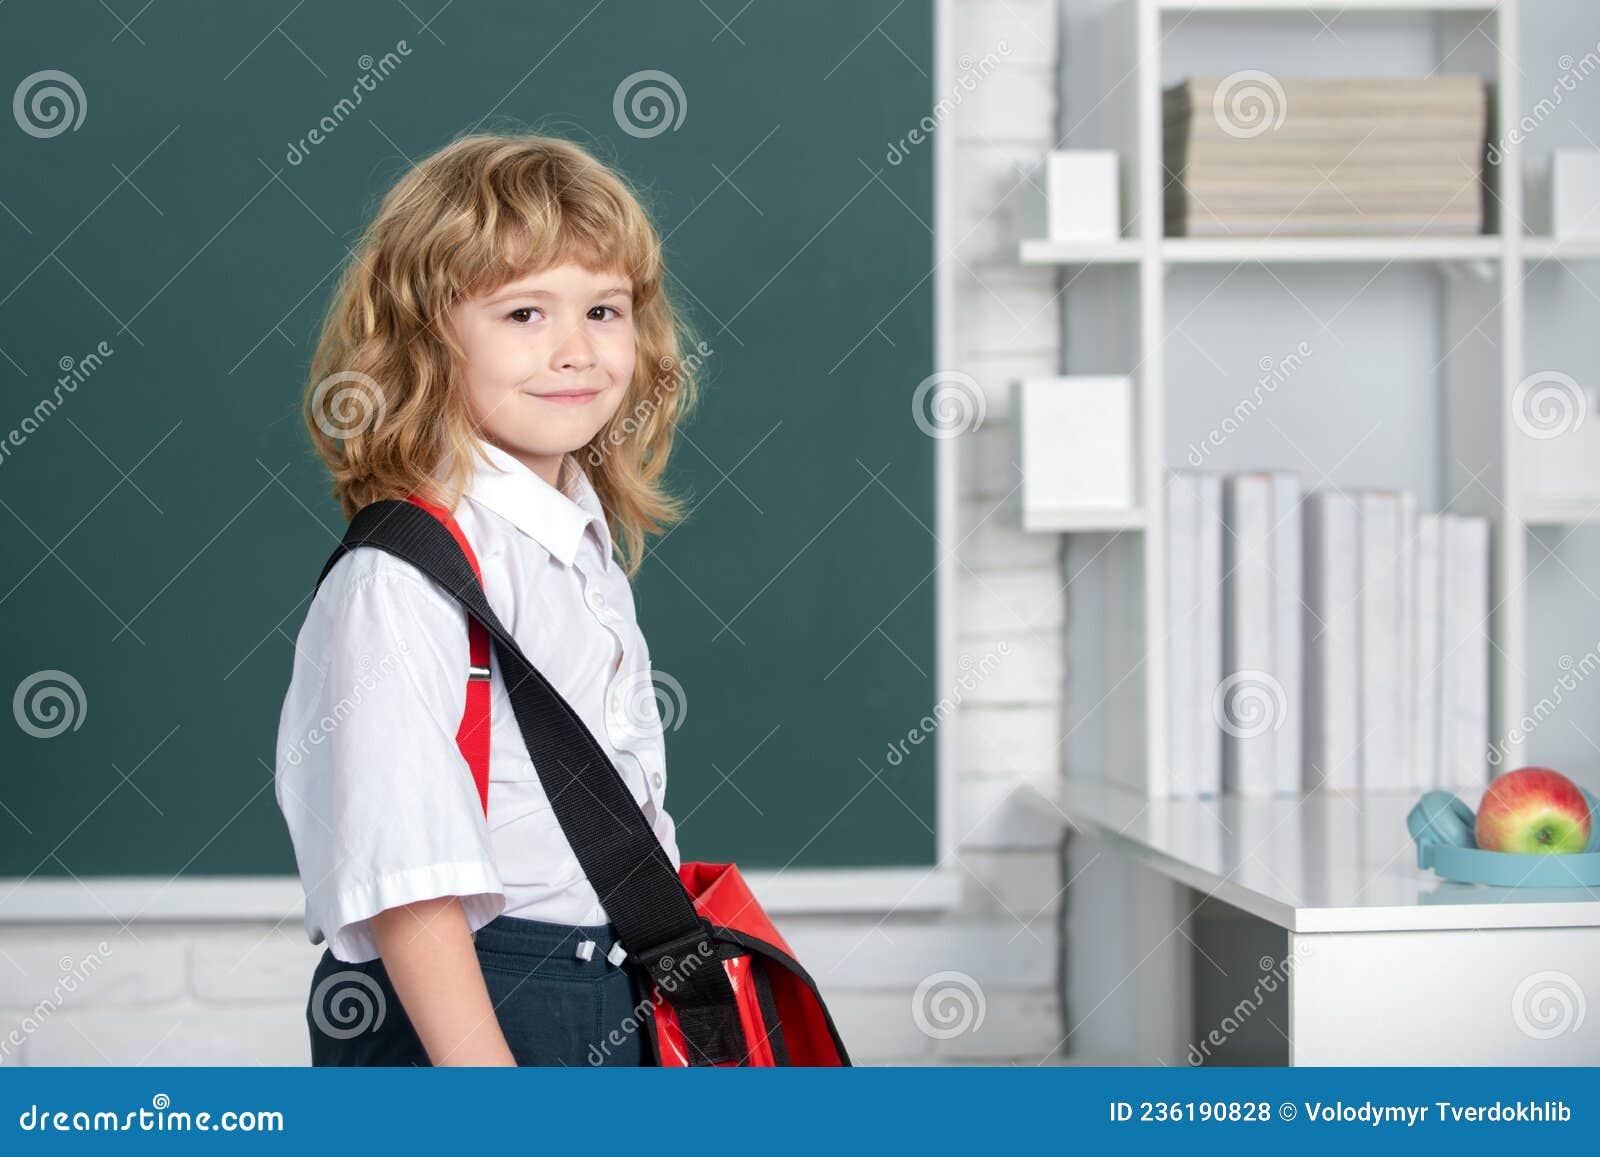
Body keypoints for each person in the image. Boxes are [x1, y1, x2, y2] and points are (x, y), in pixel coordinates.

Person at [273, 132, 702, 1066]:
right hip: (481, 1006)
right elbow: (409, 886)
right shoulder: (401, 577)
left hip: (603, 984)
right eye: (523, 314)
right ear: (428, 338)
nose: (577, 350)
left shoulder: (573, 542)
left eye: (603, 308)